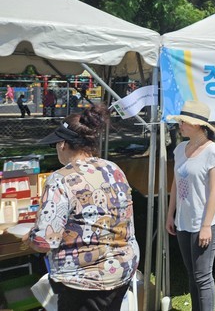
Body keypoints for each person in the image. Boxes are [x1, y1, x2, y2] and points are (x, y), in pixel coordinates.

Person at [27, 105, 139, 310]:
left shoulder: (60, 179)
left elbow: (45, 240)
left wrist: (29, 237)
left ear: (62, 144)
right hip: (122, 270)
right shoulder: (114, 169)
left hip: (84, 280)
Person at [165, 101, 215, 311]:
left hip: (205, 222)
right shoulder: (180, 149)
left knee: (202, 276)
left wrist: (206, 225)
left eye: (184, 121)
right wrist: (170, 214)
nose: (180, 124)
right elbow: (175, 182)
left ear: (198, 125)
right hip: (184, 221)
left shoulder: (213, 152)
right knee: (193, 275)